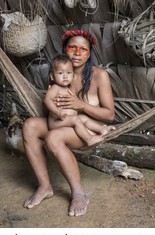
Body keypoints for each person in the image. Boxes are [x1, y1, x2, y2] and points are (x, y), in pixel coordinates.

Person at [22, 29, 115, 217]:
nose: (77, 53)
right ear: (65, 50)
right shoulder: (60, 73)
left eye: (83, 49)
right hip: (63, 122)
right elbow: (51, 107)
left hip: (86, 128)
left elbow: (109, 115)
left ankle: (79, 193)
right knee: (30, 125)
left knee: (53, 138)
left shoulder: (99, 75)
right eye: (72, 48)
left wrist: (80, 105)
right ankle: (45, 186)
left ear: (89, 54)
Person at [44, 53, 115, 146]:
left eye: (68, 73)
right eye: (61, 73)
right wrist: (57, 112)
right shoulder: (55, 88)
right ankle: (89, 139)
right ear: (52, 76)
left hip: (67, 119)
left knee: (83, 119)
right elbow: (47, 100)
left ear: (73, 75)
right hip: (57, 122)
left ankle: (102, 129)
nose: (65, 76)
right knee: (76, 120)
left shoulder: (68, 88)